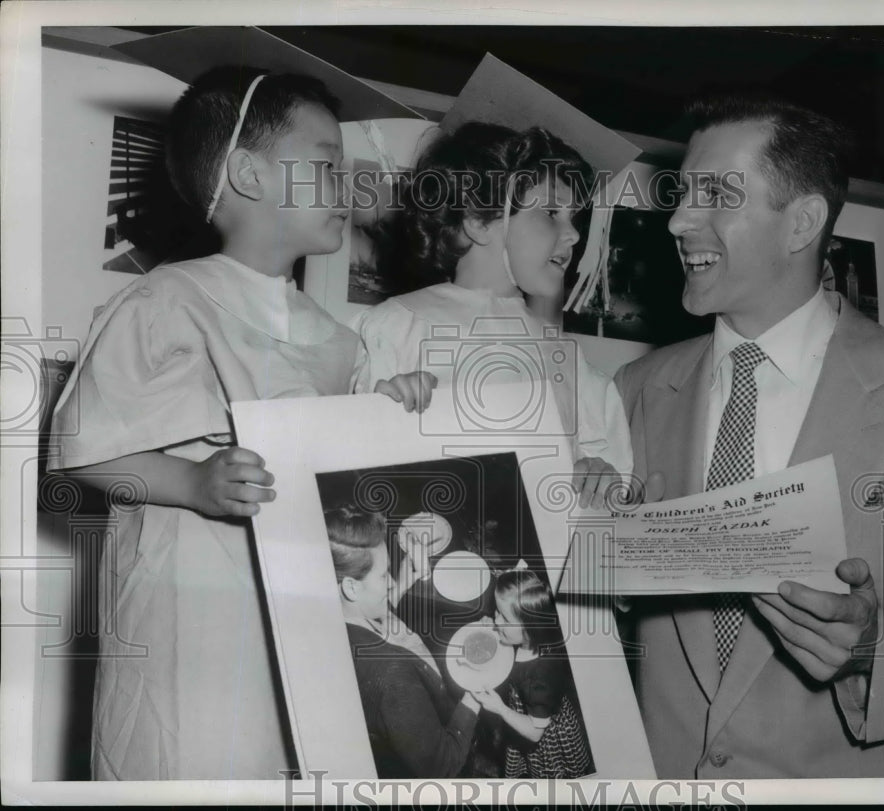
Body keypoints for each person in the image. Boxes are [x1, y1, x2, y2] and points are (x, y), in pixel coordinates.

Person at [46, 67, 433, 780]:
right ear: (250, 173)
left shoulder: (340, 338)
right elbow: (77, 454)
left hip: (299, 621)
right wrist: (191, 482)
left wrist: (390, 412)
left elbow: (341, 484)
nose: (345, 187)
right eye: (325, 165)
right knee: (186, 761)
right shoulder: (169, 301)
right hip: (187, 623)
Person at [614, 95, 884, 777]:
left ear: (802, 222)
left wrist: (874, 648)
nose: (678, 220)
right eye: (682, 193)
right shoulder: (634, 390)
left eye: (714, 195)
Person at [351, 122, 633, 504]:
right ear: (478, 220)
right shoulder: (396, 325)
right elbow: (354, 471)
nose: (574, 235)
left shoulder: (564, 357)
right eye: (551, 211)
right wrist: (382, 417)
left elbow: (606, 476)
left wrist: (599, 473)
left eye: (574, 218)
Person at [325, 504, 482, 778]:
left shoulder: (338, 622)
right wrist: (474, 695)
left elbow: (369, 618)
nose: (390, 582)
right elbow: (441, 765)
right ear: (351, 587)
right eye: (384, 575)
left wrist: (399, 587)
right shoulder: (392, 675)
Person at [472, 567, 594, 778]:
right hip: (533, 705)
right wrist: (495, 626)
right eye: (497, 611)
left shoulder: (539, 678)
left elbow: (535, 733)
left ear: (529, 628)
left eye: (505, 619)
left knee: (552, 774)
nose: (497, 618)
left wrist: (500, 708)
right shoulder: (532, 637)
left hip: (544, 731)